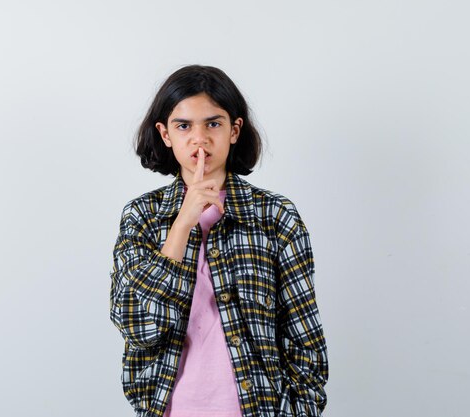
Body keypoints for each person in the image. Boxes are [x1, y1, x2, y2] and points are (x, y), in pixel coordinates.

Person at [109, 64, 329, 417]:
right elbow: (137, 325)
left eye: (213, 123)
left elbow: (305, 335)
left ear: (234, 130)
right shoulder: (142, 218)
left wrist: (300, 409)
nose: (200, 138)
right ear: (165, 134)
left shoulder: (274, 216)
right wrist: (182, 223)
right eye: (184, 126)